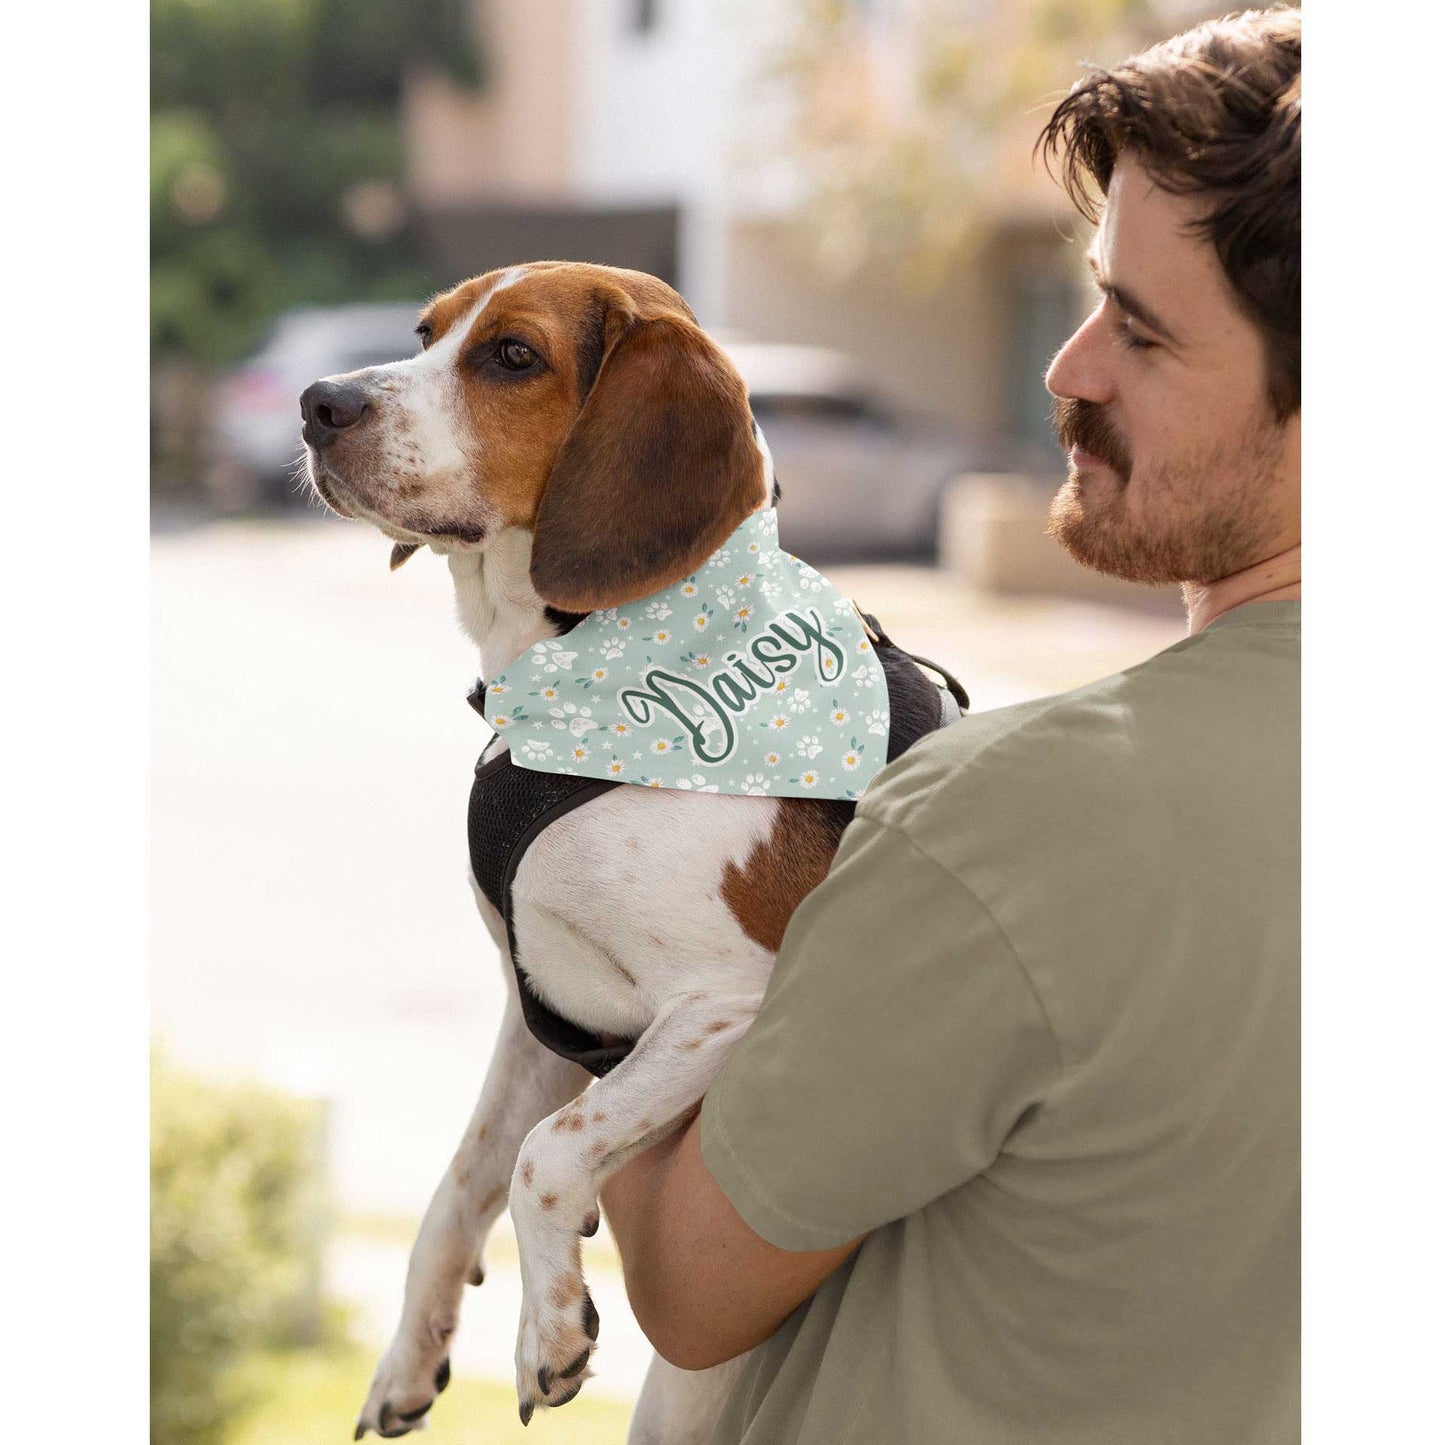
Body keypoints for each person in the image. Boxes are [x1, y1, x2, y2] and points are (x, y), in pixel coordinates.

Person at [600, 9, 1301, 1442]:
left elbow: (683, 1279)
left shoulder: (1022, 820)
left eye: (1146, 334)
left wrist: (601, 857)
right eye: (1093, 295)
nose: (1069, 368)